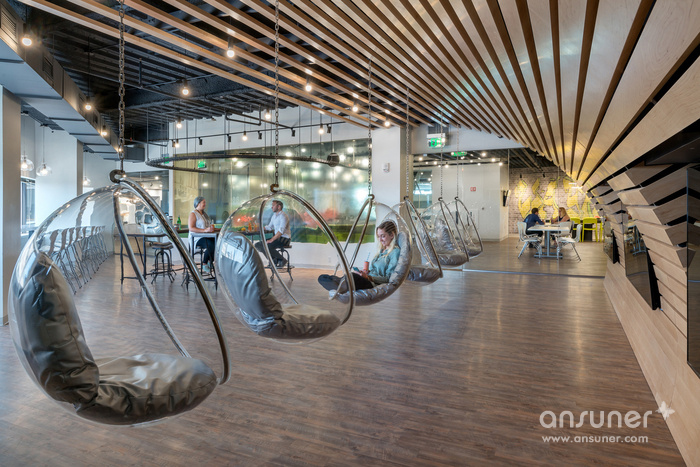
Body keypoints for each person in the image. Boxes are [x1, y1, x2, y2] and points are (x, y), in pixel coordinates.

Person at [318, 220, 401, 292]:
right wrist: (365, 272)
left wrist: (369, 277)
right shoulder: (381, 250)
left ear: (392, 235)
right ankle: (340, 284)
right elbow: (374, 270)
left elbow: (389, 279)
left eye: (383, 236)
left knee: (353, 276)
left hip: (372, 284)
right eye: (379, 236)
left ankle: (340, 285)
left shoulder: (395, 252)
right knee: (322, 277)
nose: (380, 240)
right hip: (367, 278)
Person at [255, 199, 291, 267]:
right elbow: (270, 227)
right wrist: (261, 228)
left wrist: (272, 239)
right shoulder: (274, 215)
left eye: (273, 205)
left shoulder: (283, 216)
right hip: (277, 238)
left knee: (267, 246)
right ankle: (274, 260)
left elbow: (281, 231)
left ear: (279, 206)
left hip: (285, 239)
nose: (272, 207)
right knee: (258, 245)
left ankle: (282, 260)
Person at [189, 196, 216, 274]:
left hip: (205, 236)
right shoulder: (193, 214)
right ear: (198, 203)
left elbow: (208, 227)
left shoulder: (204, 214)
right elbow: (191, 228)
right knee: (210, 244)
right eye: (203, 202)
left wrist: (217, 229)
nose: (205, 204)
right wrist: (204, 230)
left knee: (217, 242)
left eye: (205, 202)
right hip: (196, 238)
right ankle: (204, 263)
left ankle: (210, 261)